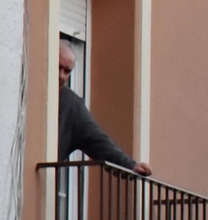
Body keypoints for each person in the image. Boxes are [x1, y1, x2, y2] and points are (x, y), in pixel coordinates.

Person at [57, 38, 151, 175]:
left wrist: (131, 166)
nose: (61, 76)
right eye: (58, 67)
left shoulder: (72, 107)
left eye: (66, 71)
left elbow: (99, 142)